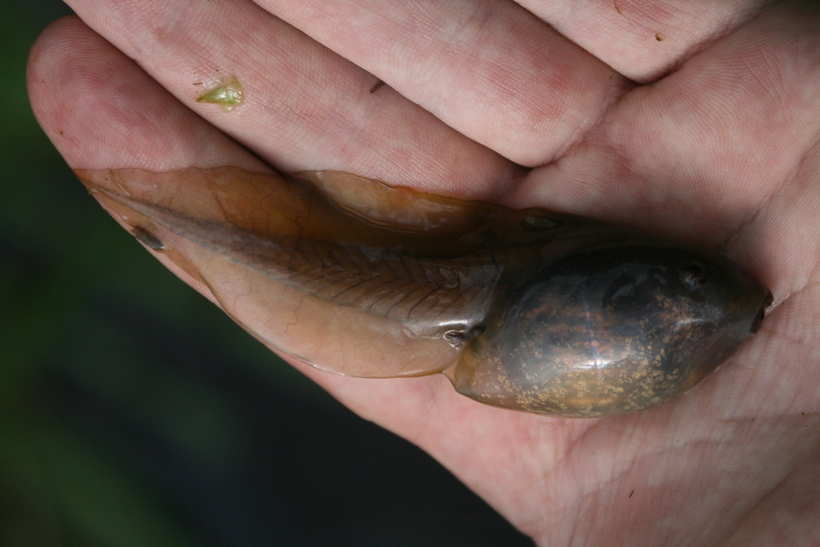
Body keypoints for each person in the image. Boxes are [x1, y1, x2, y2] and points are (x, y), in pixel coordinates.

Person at [28, 1, 819, 544]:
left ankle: (171, 216)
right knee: (296, 252)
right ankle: (170, 215)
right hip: (489, 291)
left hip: (494, 293)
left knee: (319, 260)